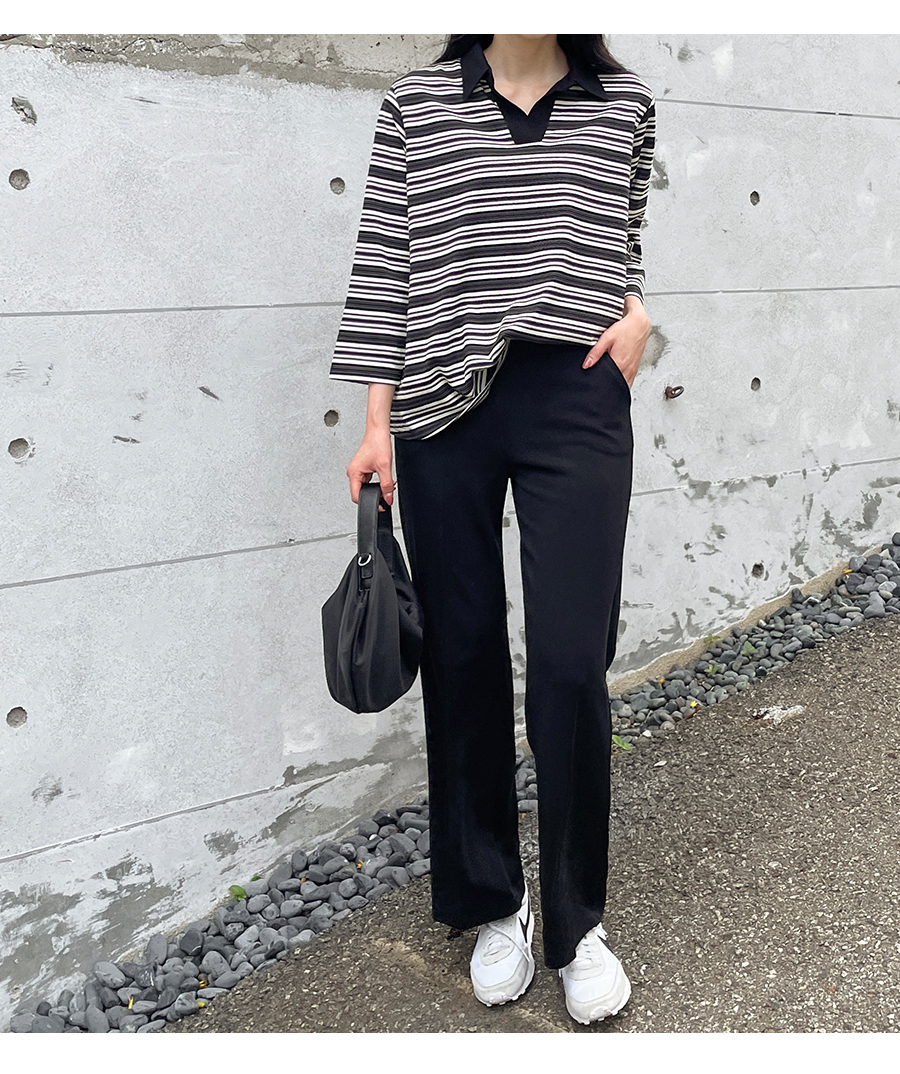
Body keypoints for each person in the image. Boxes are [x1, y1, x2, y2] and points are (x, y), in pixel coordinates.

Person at [329, 33, 655, 1026]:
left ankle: (577, 923)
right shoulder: (417, 103)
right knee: (463, 653)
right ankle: (493, 902)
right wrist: (376, 423)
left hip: (576, 392)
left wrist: (638, 316)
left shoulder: (623, 103)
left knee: (570, 660)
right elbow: (386, 263)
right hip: (441, 408)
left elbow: (621, 236)